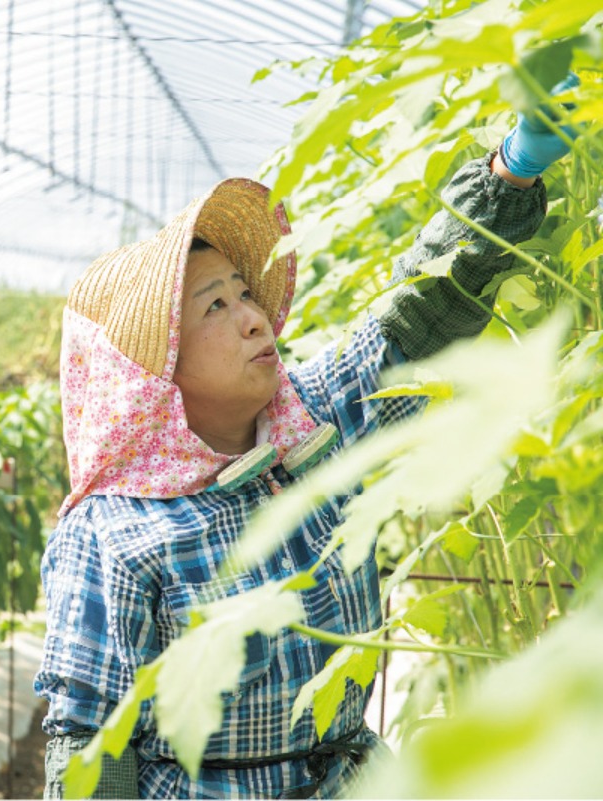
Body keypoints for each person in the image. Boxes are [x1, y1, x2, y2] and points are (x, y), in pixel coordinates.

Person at [35, 78, 580, 798]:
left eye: (246, 292)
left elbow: (421, 313)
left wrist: (511, 168)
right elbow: (90, 754)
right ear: (156, 370)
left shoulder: (311, 428)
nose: (255, 318)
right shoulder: (113, 534)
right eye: (217, 306)